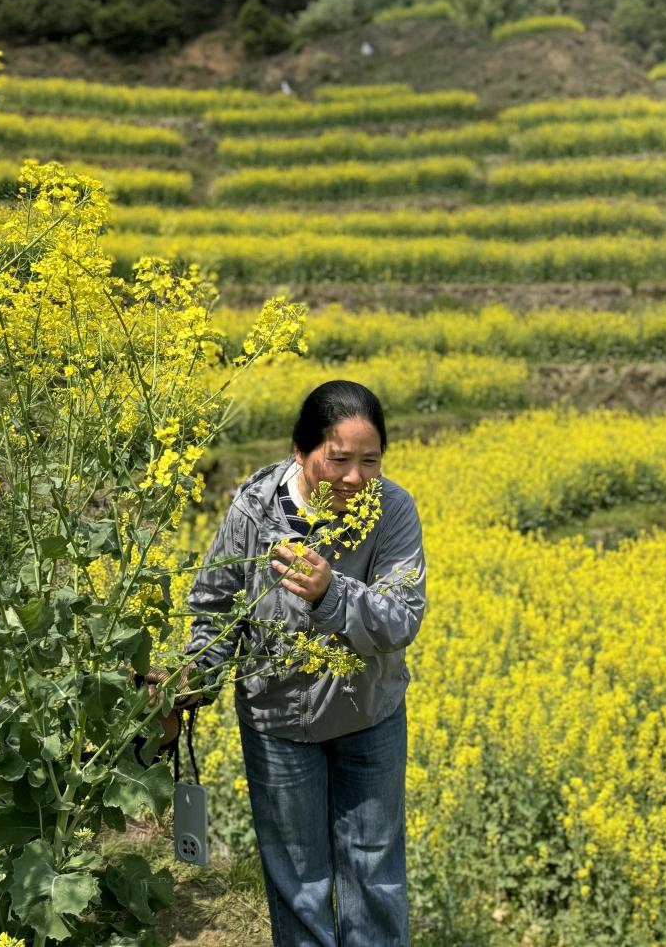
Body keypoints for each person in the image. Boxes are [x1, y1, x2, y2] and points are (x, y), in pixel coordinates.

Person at [187, 380, 427, 947]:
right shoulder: (255, 505)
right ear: (302, 450)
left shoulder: (392, 509)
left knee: (374, 874)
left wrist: (330, 595)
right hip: (278, 720)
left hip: (368, 716)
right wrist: (194, 679)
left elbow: (401, 617)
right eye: (338, 458)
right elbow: (217, 603)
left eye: (371, 460)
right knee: (299, 881)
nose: (355, 476)